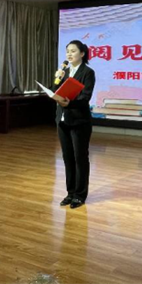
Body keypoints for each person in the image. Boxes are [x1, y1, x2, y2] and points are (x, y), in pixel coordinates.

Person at [53, 40, 96, 209]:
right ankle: (70, 193)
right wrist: (57, 79)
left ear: (82, 54)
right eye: (67, 51)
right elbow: (54, 92)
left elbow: (85, 97)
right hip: (63, 120)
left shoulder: (88, 72)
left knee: (80, 158)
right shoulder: (64, 72)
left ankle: (80, 195)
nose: (69, 54)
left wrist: (69, 103)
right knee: (68, 158)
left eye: (73, 51)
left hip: (79, 121)